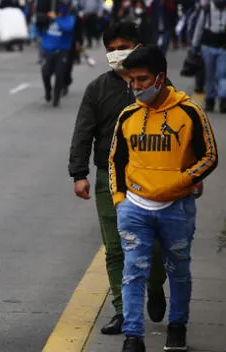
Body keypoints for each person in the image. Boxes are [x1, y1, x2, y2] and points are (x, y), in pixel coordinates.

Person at [109, 44, 218, 352]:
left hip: (177, 209)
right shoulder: (128, 116)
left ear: (160, 78)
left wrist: (182, 182)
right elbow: (115, 161)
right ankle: (133, 336)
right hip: (135, 209)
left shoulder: (189, 112)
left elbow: (210, 156)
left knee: (178, 271)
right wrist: (120, 201)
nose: (135, 86)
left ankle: (177, 327)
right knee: (133, 272)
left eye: (141, 79)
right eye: (132, 80)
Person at [69, 22, 169, 336]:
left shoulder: (158, 87)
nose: (116, 54)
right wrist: (79, 174)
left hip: (152, 178)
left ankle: (155, 285)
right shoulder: (98, 88)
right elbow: (83, 132)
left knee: (151, 247)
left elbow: (180, 128)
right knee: (115, 248)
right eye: (110, 49)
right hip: (108, 180)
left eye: (122, 46)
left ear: (138, 47)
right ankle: (123, 311)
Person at [192, 0, 226, 113]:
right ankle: (212, 99)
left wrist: (195, 45)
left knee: (221, 74)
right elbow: (199, 26)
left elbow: (199, 27)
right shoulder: (207, 8)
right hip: (208, 46)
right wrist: (195, 45)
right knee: (211, 75)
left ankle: (222, 99)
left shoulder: (207, 7)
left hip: (222, 47)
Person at [39, 0, 75, 107]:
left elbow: (68, 28)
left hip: (62, 51)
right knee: (45, 72)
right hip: (49, 50)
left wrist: (56, 18)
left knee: (59, 74)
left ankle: (56, 97)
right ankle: (48, 90)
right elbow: (40, 29)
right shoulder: (49, 19)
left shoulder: (69, 19)